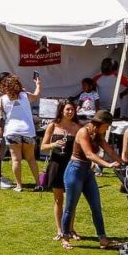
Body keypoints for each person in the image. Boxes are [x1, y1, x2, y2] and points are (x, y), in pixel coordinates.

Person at [62, 111, 119, 250]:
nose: (106, 129)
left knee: (96, 207)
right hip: (75, 171)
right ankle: (65, 238)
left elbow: (109, 151)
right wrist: (107, 164)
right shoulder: (83, 132)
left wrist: (122, 161)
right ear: (101, 124)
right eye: (107, 126)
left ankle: (103, 239)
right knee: (70, 207)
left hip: (87, 172)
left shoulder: (97, 134)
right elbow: (89, 154)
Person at [39, 100, 81, 242]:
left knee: (71, 200)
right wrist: (53, 144)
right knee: (58, 199)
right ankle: (60, 229)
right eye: (68, 109)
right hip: (56, 164)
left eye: (72, 110)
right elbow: (42, 147)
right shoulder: (53, 126)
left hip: (72, 165)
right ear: (61, 110)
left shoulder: (77, 127)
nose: (70, 112)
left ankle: (70, 229)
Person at [0, 74, 42, 193]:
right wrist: (38, 85)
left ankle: (19, 186)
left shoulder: (2, 99)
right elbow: (36, 96)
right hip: (28, 130)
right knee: (31, 158)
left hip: (11, 131)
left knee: (16, 159)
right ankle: (38, 184)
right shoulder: (25, 95)